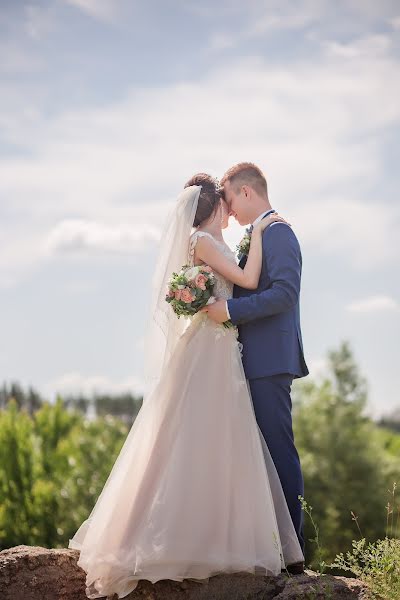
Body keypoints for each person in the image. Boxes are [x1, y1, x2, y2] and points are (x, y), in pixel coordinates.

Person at [68, 173, 305, 599]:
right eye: (226, 202)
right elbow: (249, 282)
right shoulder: (208, 241)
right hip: (214, 350)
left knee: (217, 441)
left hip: (225, 349)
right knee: (203, 439)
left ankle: (242, 541)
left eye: (234, 199)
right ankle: (226, 543)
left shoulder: (235, 238)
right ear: (214, 205)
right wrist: (259, 235)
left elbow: (272, 290)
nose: (231, 209)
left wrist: (259, 239)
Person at [202, 163, 309, 568]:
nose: (227, 210)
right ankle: (266, 547)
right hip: (249, 360)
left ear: (246, 192)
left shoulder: (279, 232)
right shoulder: (259, 235)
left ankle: (293, 552)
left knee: (278, 451)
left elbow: (285, 294)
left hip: (269, 361)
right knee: (255, 455)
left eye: (228, 199)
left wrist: (228, 309)